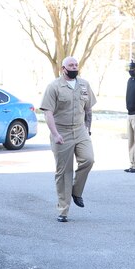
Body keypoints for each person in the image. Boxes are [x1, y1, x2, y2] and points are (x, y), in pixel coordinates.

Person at [40, 56, 96, 222]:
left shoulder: (84, 85)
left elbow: (88, 110)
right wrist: (55, 134)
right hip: (61, 131)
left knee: (89, 159)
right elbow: (47, 112)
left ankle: (76, 191)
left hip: (80, 130)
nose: (74, 67)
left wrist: (88, 129)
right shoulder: (54, 87)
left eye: (76, 65)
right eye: (70, 65)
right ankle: (63, 210)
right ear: (63, 68)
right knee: (64, 172)